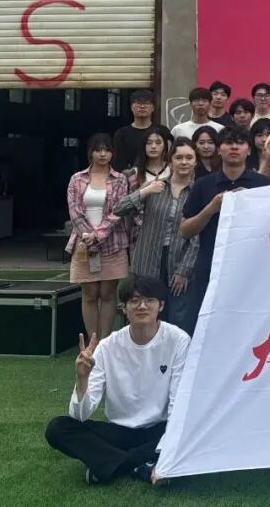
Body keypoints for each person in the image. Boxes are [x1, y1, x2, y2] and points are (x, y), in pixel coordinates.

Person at [45, 274, 190, 486]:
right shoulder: (107, 346)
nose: (142, 306)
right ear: (123, 308)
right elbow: (80, 415)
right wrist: (82, 378)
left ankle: (108, 464)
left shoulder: (178, 340)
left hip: (158, 429)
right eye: (134, 301)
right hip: (118, 431)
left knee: (191, 430)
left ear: (161, 306)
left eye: (149, 300)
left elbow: (178, 403)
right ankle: (141, 466)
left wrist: (169, 440)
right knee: (58, 428)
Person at [180, 126, 270, 328]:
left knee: (248, 324)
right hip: (210, 265)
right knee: (203, 323)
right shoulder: (203, 185)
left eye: (240, 143)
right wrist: (212, 207)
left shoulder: (263, 184)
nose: (234, 148)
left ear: (249, 150)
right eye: (228, 143)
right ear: (219, 149)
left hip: (250, 267)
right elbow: (185, 230)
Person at [113, 138, 199, 332]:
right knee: (146, 315)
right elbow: (118, 209)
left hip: (179, 260)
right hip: (148, 259)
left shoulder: (197, 191)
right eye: (179, 157)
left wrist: (184, 270)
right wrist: (144, 191)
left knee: (178, 318)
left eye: (189, 158)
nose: (184, 162)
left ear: (196, 161)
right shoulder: (156, 187)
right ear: (170, 161)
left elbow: (197, 237)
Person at [66, 134, 131, 340]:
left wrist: (98, 235)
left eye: (107, 150)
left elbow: (118, 211)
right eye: (98, 150)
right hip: (83, 243)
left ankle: (105, 341)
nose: (103, 154)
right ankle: (92, 342)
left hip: (112, 243)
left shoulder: (120, 179)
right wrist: (88, 236)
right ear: (90, 152)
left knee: (108, 293)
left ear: (112, 153)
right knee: (90, 294)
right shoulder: (77, 178)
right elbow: (74, 211)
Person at [112, 90, 157, 172]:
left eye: (147, 103)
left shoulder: (161, 131)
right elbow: (118, 161)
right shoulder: (121, 134)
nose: (142, 106)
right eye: (138, 103)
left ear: (153, 108)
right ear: (131, 107)